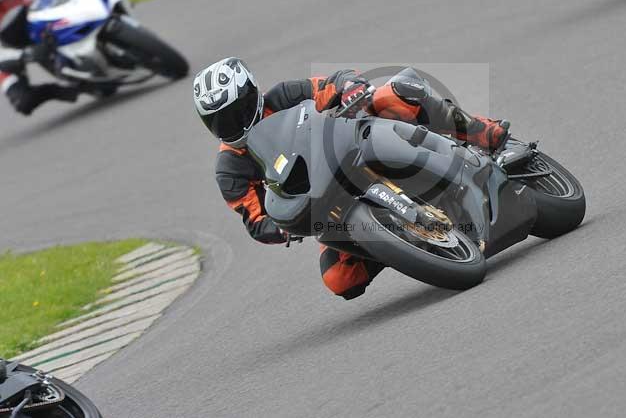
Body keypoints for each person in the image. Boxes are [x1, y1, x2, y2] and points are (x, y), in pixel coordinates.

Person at [193, 58, 510, 300]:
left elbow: (328, 84)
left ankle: (477, 130)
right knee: (340, 279)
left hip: (351, 147)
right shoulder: (230, 169)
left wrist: (351, 87)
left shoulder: (283, 96)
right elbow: (256, 221)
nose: (231, 124)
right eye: (219, 120)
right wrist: (284, 228)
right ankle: (400, 243)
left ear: (252, 94)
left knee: (395, 94)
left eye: (237, 111)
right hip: (324, 205)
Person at [0, 0, 92, 116]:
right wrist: (25, 55)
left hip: (36, 21)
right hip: (8, 49)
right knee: (23, 102)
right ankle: (57, 90)